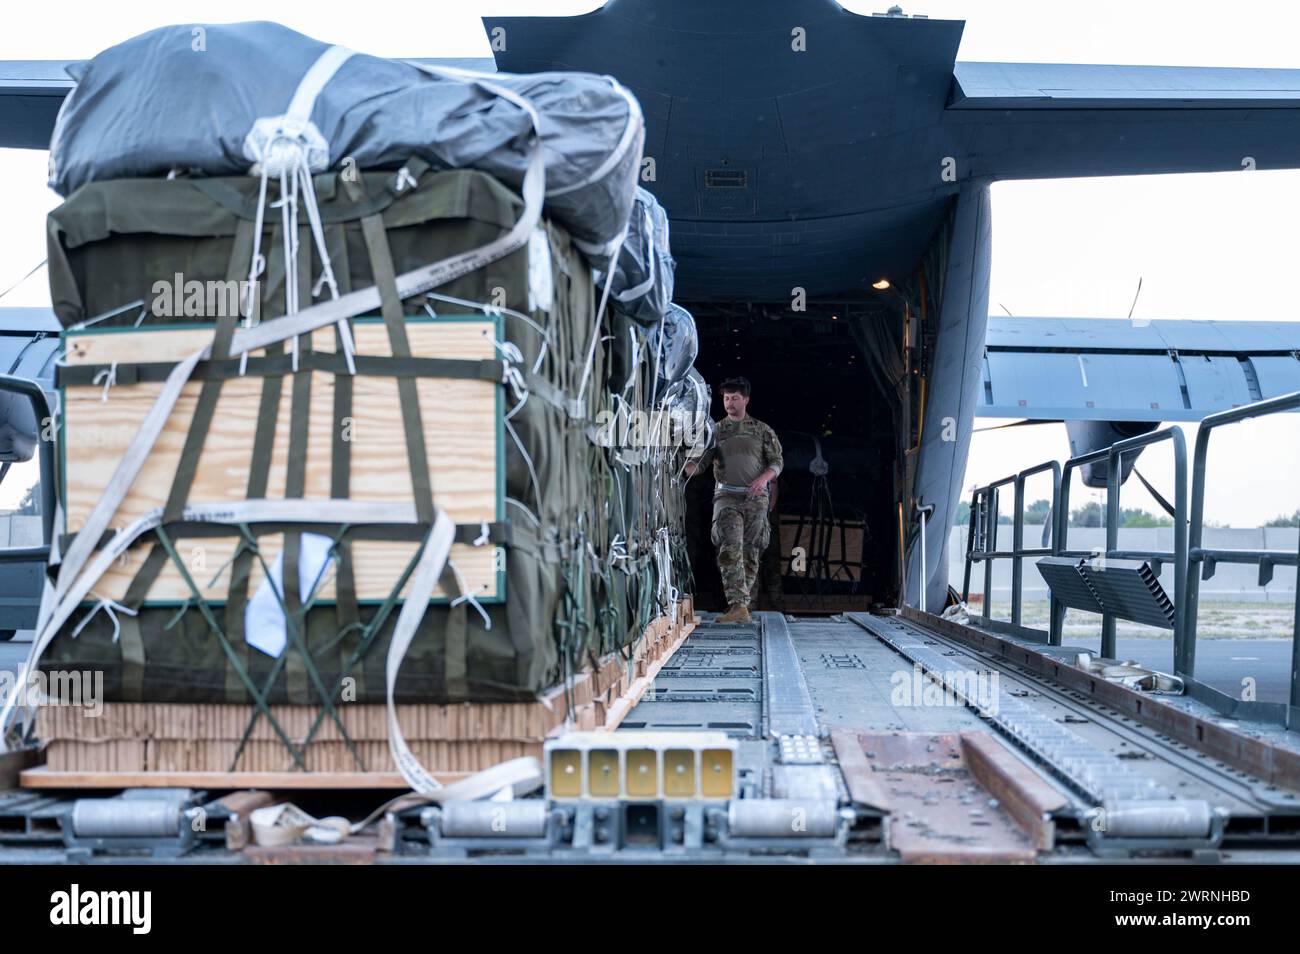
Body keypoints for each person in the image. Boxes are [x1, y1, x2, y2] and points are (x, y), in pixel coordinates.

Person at [684, 376, 783, 624]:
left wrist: (764, 479)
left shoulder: (762, 430)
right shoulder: (716, 431)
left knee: (751, 552)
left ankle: (742, 607)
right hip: (726, 496)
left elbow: (776, 462)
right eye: (726, 398)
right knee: (730, 549)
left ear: (746, 400)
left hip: (755, 498)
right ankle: (738, 604)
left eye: (734, 398)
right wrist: (687, 466)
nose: (729, 403)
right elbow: (702, 464)